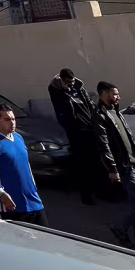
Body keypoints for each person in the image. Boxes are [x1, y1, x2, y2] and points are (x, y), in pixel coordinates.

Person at [93, 81, 135, 256]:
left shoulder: (116, 111)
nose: (118, 97)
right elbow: (104, 145)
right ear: (103, 93)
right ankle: (119, 228)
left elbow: (128, 137)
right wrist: (112, 168)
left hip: (134, 163)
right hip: (124, 167)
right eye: (114, 94)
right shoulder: (100, 115)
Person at [0, 102, 47, 225]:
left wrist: (34, 188)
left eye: (13, 119)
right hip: (11, 204)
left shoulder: (18, 137)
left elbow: (26, 167)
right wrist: (0, 193)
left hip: (34, 200)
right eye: (7, 119)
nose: (12, 123)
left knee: (47, 237)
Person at [48, 68, 98, 205]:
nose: (71, 84)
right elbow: (61, 107)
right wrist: (65, 90)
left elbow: (88, 103)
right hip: (76, 131)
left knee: (95, 160)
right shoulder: (56, 90)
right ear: (62, 81)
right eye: (68, 82)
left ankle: (98, 190)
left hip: (89, 127)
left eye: (72, 81)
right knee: (83, 163)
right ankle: (86, 195)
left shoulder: (79, 87)